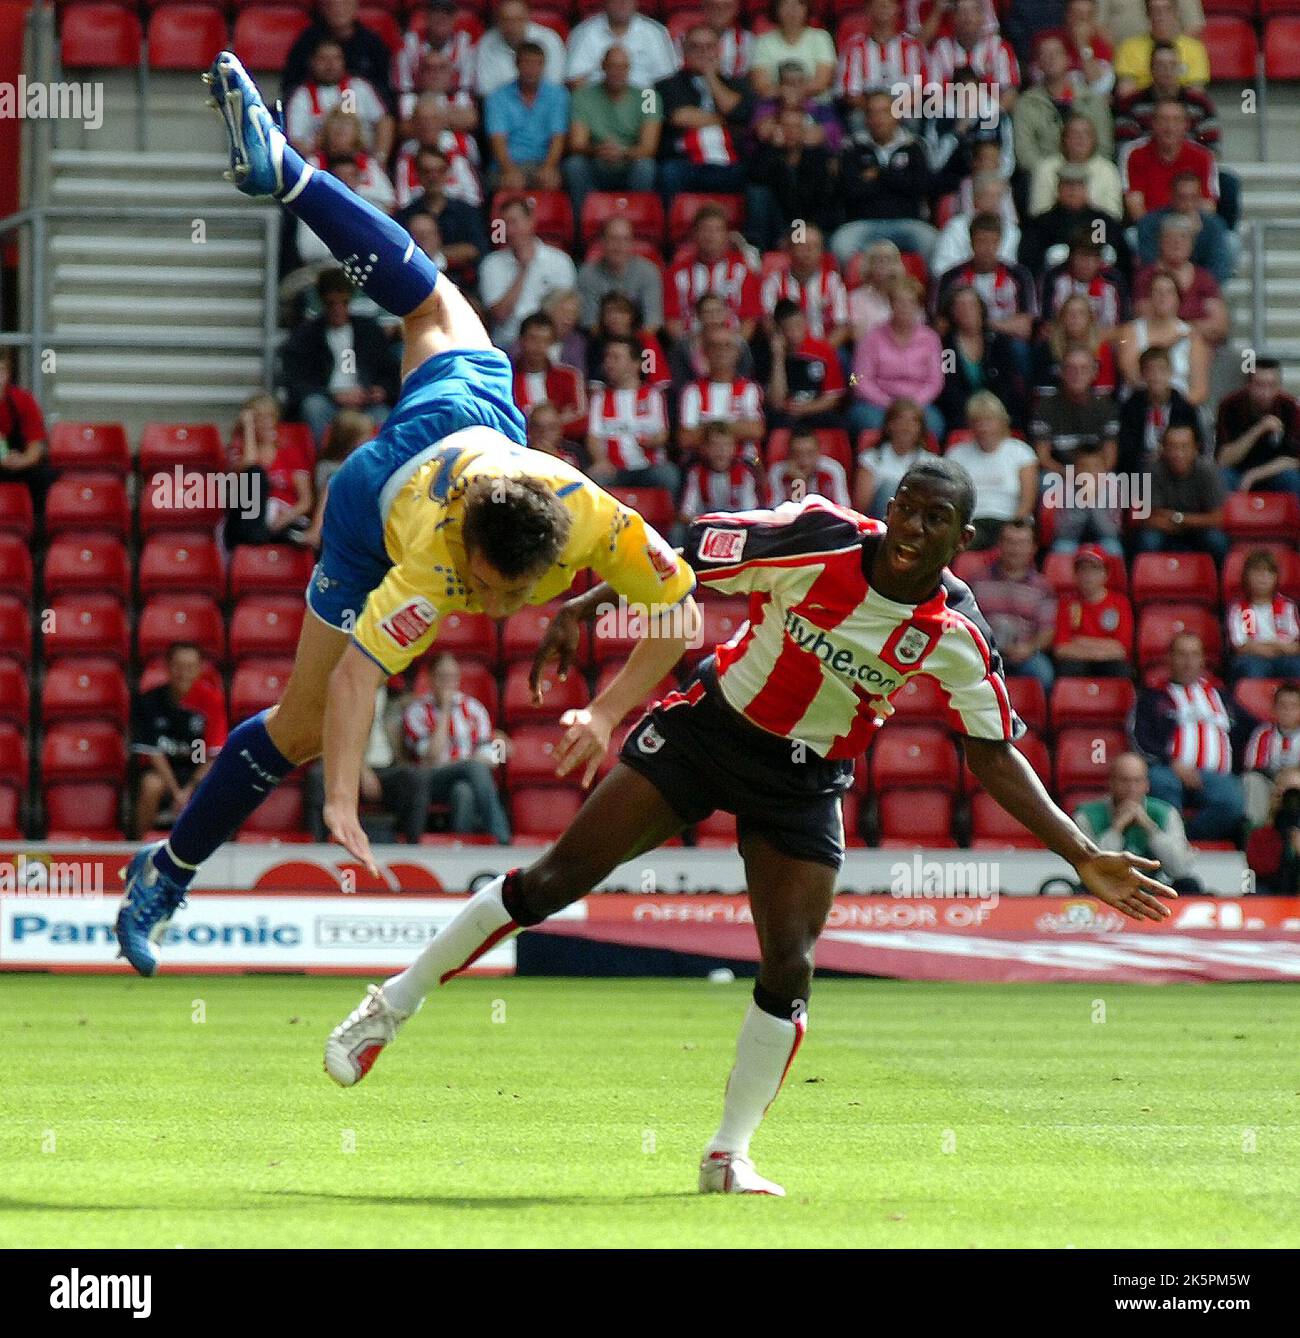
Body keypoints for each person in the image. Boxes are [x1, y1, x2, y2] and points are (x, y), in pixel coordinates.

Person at [325, 458, 1176, 1197]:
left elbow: (991, 754)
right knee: (550, 883)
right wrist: (586, 605)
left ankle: (728, 1155)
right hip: (709, 733)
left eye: (936, 518)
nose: (914, 527)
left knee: (790, 965)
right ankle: (387, 1009)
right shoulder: (818, 536)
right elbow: (678, 557)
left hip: (804, 786)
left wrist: (1080, 851)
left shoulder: (954, 633)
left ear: (963, 540)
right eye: (907, 506)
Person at [117, 51, 699, 976]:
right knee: (302, 728)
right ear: (464, 549)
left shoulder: (593, 516)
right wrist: (341, 798)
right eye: (484, 588)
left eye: (506, 597)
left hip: (477, 417)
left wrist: (610, 708)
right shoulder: (431, 563)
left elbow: (682, 610)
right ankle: (170, 869)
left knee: (433, 298)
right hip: (374, 500)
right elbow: (359, 679)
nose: (496, 610)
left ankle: (290, 173)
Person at [1131, 631, 1245, 841]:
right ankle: (1172, 842)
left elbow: (1247, 729)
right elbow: (1141, 740)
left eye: (1194, 655)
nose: (1188, 661)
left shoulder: (1221, 696)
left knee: (1233, 802)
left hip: (1215, 775)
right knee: (1160, 782)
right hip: (1169, 770)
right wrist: (1173, 763)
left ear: (1202, 660)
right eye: (1181, 654)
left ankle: (1183, 839)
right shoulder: (1153, 696)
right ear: (1169, 658)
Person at [653, 26, 762, 239]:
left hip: (731, 164)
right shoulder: (667, 84)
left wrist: (711, 77)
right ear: (684, 51)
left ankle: (753, 244)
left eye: (709, 47)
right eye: (696, 47)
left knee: (760, 182)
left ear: (719, 50)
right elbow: (679, 116)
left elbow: (739, 111)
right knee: (667, 173)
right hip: (686, 162)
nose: (703, 52)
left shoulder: (740, 84)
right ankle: (667, 241)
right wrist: (726, 121)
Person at [278, 268, 401, 446]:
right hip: (327, 401)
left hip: (365, 402)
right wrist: (333, 395)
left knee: (383, 416)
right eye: (331, 304)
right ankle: (325, 459)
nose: (338, 309)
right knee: (314, 407)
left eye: (343, 303)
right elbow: (296, 381)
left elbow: (390, 370)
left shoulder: (369, 331)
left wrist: (383, 391)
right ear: (322, 303)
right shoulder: (306, 336)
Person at [402, 653, 513, 844]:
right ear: (430, 678)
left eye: (452, 677)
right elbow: (431, 757)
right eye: (442, 677)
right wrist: (445, 710)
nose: (448, 683)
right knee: (473, 769)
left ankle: (461, 846)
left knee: (463, 792)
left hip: (468, 776)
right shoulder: (416, 711)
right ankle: (503, 839)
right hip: (430, 779)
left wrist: (503, 748)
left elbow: (493, 755)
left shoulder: (474, 709)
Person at [305, 685, 434, 845]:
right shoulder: (343, 691)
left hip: (387, 768)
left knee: (415, 778)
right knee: (317, 776)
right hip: (347, 766)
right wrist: (361, 769)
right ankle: (318, 847)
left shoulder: (395, 698)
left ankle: (412, 849)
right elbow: (331, 737)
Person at [1030, 344, 1122, 555]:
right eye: (1071, 368)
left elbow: (1110, 457)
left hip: (1096, 472)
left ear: (1094, 372)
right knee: (1045, 482)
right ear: (1061, 372)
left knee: (1115, 482)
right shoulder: (1046, 406)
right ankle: (1048, 543)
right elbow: (1043, 457)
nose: (1077, 374)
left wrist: (1092, 477)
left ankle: (1110, 538)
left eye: (1083, 368)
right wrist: (1075, 476)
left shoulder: (1106, 406)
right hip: (1062, 474)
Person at [130, 643, 227, 840]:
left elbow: (212, 756)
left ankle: (208, 847)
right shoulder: (149, 701)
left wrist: (189, 788)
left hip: (195, 772)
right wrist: (176, 792)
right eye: (178, 666)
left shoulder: (211, 701)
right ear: (167, 667)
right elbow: (153, 753)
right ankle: (138, 846)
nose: (184, 673)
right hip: (163, 772)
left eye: (190, 667)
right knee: (151, 785)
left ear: (199, 669)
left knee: (216, 787)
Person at [831, 90, 936, 266]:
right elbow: (850, 191)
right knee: (840, 245)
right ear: (865, 118)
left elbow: (921, 187)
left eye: (884, 112)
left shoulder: (914, 146)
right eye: (872, 112)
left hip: (907, 222)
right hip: (863, 223)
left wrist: (879, 175)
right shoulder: (852, 148)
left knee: (931, 241)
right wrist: (898, 179)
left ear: (896, 115)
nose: (878, 118)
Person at [1074, 753, 1199, 893]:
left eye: (1137, 781)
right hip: (1106, 890)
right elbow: (1097, 869)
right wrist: (1116, 829)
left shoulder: (1166, 813)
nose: (1131, 788)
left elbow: (1180, 869)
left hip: (1155, 887)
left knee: (1189, 885)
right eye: (1124, 781)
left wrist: (1150, 827)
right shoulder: (1086, 816)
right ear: (1111, 783)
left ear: (1147, 785)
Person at [563, 45, 661, 214]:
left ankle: (637, 220)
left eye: (623, 67)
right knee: (574, 165)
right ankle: (581, 226)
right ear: (603, 66)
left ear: (629, 69)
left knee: (646, 167)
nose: (617, 72)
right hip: (596, 161)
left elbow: (649, 147)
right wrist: (599, 150)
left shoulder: (648, 96)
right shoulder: (583, 95)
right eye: (613, 66)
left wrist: (622, 152)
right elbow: (576, 143)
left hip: (631, 162)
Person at [850, 275, 944, 438]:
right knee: (871, 424)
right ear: (891, 305)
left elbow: (935, 381)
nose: (904, 308)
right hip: (878, 404)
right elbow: (857, 379)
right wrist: (889, 404)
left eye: (911, 303)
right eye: (899, 302)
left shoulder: (931, 338)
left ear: (918, 306)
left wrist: (912, 404)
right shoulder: (871, 337)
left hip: (917, 404)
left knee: (934, 425)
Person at [970, 517, 1057, 691]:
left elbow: (1048, 632)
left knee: (1043, 672)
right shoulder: (977, 582)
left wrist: (1029, 648)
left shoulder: (1043, 587)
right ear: (999, 545)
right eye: (1010, 542)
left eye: (1022, 543)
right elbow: (966, 623)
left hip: (1025, 656)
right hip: (984, 654)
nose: (1015, 549)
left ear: (1033, 547)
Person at [478, 197, 578, 346]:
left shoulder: (560, 261)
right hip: (509, 342)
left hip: (550, 342)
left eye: (514, 222)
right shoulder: (491, 264)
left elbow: (568, 313)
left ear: (531, 221)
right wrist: (523, 269)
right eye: (504, 224)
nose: (510, 230)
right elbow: (499, 315)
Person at [1012, 33, 1113, 178]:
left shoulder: (1092, 99)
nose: (1051, 58)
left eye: (1056, 53)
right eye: (1045, 54)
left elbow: (1104, 148)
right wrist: (1053, 176)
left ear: (1068, 59)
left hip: (1090, 177)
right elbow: (1025, 153)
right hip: (1044, 177)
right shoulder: (1027, 103)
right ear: (1038, 63)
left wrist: (1080, 176)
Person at [945, 392, 1038, 549]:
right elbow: (950, 498)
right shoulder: (956, 454)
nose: (984, 428)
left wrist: (1013, 525)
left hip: (1010, 520)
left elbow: (1028, 500)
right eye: (978, 422)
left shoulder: (1021, 452)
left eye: (989, 421)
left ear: (1002, 422)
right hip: (971, 523)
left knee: (1013, 542)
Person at [586, 334, 677, 492]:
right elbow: (593, 437)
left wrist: (652, 441)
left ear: (636, 363)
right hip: (614, 470)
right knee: (595, 478)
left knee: (668, 474)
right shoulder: (600, 398)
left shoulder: (653, 395)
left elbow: (663, 434)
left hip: (648, 467)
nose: (608, 363)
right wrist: (600, 460)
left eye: (615, 358)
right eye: (607, 357)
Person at [224, 392, 315, 547]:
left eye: (270, 417)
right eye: (259, 418)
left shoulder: (290, 452)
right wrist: (248, 430)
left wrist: (282, 520)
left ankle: (272, 536)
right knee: (255, 473)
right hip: (248, 519)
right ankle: (261, 535)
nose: (266, 423)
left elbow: (306, 501)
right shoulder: (237, 449)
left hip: (283, 518)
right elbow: (250, 465)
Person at [664, 204, 762, 344]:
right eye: (705, 229)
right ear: (694, 234)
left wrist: (730, 348)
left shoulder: (743, 271)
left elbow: (749, 321)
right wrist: (692, 351)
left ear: (727, 235)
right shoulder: (676, 273)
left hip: (731, 350)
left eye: (717, 230)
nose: (711, 236)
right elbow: (672, 320)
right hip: (690, 349)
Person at [284, 36, 393, 162]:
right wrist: (330, 138)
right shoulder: (301, 96)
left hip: (363, 161)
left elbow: (384, 121)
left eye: (336, 58)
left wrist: (380, 158)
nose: (330, 65)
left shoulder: (359, 87)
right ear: (312, 62)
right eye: (323, 59)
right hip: (320, 164)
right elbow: (295, 141)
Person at [938, 284, 1028, 432]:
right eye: (960, 306)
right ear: (952, 312)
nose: (967, 310)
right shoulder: (948, 347)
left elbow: (1007, 382)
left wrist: (991, 412)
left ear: (981, 308)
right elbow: (950, 386)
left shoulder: (998, 341)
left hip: (998, 408)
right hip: (962, 413)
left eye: (971, 305)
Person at [1114, 268, 1210, 406]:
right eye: (1157, 291)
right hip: (1140, 406)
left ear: (1178, 298)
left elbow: (1200, 390)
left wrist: (1175, 411)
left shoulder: (1193, 336)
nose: (1163, 297)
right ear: (1149, 297)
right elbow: (1132, 375)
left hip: (1179, 407)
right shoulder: (1130, 331)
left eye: (1169, 292)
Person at [484, 41, 569, 191]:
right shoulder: (498, 97)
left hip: (543, 162)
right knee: (512, 183)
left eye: (537, 64)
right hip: (508, 164)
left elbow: (558, 137)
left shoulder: (558, 95)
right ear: (516, 65)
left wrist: (548, 168)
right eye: (527, 63)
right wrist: (509, 170)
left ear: (544, 66)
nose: (532, 69)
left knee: (551, 181)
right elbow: (497, 139)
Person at [283, 0, 395, 113]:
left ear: (356, 5)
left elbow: (385, 95)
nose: (338, 8)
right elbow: (291, 87)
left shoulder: (373, 44)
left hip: (363, 115)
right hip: (314, 115)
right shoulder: (306, 43)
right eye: (331, 4)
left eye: (344, 3)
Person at [1139, 422, 1227, 563]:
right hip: (1166, 531)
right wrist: (1189, 522)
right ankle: (1150, 581)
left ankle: (1219, 583)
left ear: (1195, 449)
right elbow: (1147, 519)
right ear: (1164, 449)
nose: (1178, 454)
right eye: (1172, 447)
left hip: (1199, 531)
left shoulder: (1208, 471)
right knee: (1148, 540)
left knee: (1217, 541)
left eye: (1184, 447)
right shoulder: (1151, 471)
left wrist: (1178, 518)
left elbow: (1217, 518)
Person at [393, 146, 488, 276]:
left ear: (448, 173)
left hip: (462, 283)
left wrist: (437, 254)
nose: (434, 177)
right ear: (417, 174)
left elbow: (477, 249)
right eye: (427, 171)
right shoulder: (404, 216)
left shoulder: (466, 212)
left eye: (440, 170)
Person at [1122, 99, 1217, 225]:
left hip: (1190, 228)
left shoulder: (1203, 156)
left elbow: (1208, 205)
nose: (1170, 127)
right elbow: (1134, 204)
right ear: (1153, 123)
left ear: (1186, 125)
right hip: (1150, 228)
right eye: (1163, 120)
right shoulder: (1134, 153)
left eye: (1176, 120)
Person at [1215, 359, 1300, 500]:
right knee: (1221, 477)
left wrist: (1254, 475)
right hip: (1236, 473)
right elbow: (1223, 460)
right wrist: (1258, 429)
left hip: (1273, 473)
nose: (1266, 393)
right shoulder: (1230, 405)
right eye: (1260, 385)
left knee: (1291, 478)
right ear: (1248, 385)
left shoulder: (1289, 406)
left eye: (1272, 385)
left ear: (1280, 386)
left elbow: (1295, 460)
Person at [1114, 39, 1218, 151]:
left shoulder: (1200, 104)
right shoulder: (1130, 104)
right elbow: (1124, 148)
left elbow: (1212, 147)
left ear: (1180, 69)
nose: (1167, 70)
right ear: (1151, 69)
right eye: (1160, 65)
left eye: (1172, 65)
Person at [677, 326, 765, 457]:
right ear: (705, 353)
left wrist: (708, 428)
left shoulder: (749, 388)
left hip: (745, 460)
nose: (721, 351)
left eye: (727, 346)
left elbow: (756, 430)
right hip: (702, 462)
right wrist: (736, 427)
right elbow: (686, 438)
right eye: (715, 346)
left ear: (737, 352)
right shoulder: (692, 390)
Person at [759, 228, 850, 349]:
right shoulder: (774, 282)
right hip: (785, 348)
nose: (808, 251)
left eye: (814, 246)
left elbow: (841, 326)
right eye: (802, 245)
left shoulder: (833, 282)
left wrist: (821, 351)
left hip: (825, 347)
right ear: (790, 249)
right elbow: (768, 321)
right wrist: (785, 346)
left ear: (821, 251)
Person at [1116, 345, 1199, 476]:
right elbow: (1126, 448)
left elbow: (1197, 446)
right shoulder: (1131, 407)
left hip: (1175, 467)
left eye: (1161, 370)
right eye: (1150, 371)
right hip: (1139, 469)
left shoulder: (1184, 408)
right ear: (1142, 375)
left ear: (1170, 372)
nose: (1156, 377)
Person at [766, 298, 847, 432]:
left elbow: (832, 398)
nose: (795, 332)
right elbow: (776, 402)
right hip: (785, 415)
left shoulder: (823, 351)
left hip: (816, 411)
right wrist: (778, 358)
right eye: (789, 328)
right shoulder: (771, 355)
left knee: (838, 425)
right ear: (779, 330)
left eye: (798, 325)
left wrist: (805, 409)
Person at [1053, 545, 1134, 678]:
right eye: (1083, 569)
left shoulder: (1120, 602)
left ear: (1106, 574)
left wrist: (1080, 641)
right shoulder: (1066, 603)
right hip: (1079, 664)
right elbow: (1061, 649)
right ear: (1075, 574)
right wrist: (1103, 647)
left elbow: (1121, 649)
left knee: (1119, 669)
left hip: (1108, 664)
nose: (1088, 575)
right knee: (1068, 667)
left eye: (1094, 569)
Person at [577, 216, 664, 332]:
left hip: (638, 342)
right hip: (599, 342)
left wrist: (629, 346)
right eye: (613, 239)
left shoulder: (648, 272)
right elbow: (590, 324)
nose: (619, 246)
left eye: (625, 240)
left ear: (632, 243)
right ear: (602, 242)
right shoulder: (588, 274)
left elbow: (653, 323)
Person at [566, 0, 678, 90]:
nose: (622, 2)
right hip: (599, 101)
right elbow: (574, 81)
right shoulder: (584, 32)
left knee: (652, 108)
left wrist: (649, 113)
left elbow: (666, 81)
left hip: (645, 98)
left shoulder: (655, 32)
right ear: (604, 2)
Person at [511, 311, 587, 441]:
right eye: (533, 339)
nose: (539, 346)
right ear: (521, 341)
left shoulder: (569, 376)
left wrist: (537, 426)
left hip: (563, 446)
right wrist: (558, 420)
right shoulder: (507, 378)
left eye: (545, 341)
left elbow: (582, 421)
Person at [1227, 550, 1300, 682]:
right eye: (1257, 571)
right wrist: (1273, 647)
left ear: (1276, 577)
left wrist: (1268, 646)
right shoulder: (1239, 609)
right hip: (1253, 658)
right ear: (1246, 577)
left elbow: (1294, 646)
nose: (1263, 577)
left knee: (1296, 666)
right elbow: (1241, 647)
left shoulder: (1287, 606)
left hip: (1284, 657)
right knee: (1252, 667)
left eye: (1268, 572)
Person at [852, 396, 928, 519]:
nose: (907, 427)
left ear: (921, 429)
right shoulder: (870, 458)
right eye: (901, 420)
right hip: (880, 520)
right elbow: (861, 506)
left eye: (913, 421)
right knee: (889, 486)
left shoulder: (930, 462)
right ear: (890, 425)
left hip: (915, 519)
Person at [1113, 0, 1208, 97]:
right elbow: (1125, 93)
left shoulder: (1195, 49)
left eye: (1167, 9)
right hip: (1143, 107)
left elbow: (1196, 93)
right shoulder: (1129, 48)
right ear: (1147, 14)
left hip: (1181, 107)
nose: (1161, 16)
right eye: (1155, 10)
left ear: (1176, 12)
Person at [1031, 292, 1118, 396]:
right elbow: (1042, 392)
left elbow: (1103, 393)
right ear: (1062, 318)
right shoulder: (1046, 349)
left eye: (1081, 313)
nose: (1075, 318)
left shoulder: (1102, 349)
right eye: (1070, 313)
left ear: (1090, 319)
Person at [473, 0, 566, 97]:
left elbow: (555, 86)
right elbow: (486, 91)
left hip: (544, 105)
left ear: (528, 17)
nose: (513, 26)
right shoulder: (487, 43)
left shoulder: (549, 39)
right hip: (501, 108)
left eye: (518, 19)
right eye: (506, 20)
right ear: (497, 21)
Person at [0, 349, 53, 515]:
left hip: (18, 466)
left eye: (0, 370)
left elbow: (35, 448)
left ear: (7, 373)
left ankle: (36, 535)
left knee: (43, 476)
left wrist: (21, 461)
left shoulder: (23, 400)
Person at [749, 0, 836, 100]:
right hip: (775, 105)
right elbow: (762, 85)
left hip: (816, 104)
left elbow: (822, 82)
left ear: (807, 8)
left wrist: (793, 94)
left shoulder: (821, 37)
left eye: (799, 3)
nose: (792, 10)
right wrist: (786, 95)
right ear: (776, 9)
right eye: (785, 3)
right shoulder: (763, 42)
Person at [679, 422, 762, 523]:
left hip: (737, 526)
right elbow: (686, 513)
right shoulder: (696, 474)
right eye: (715, 445)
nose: (721, 450)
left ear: (734, 448)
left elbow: (750, 512)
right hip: (705, 526)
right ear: (705, 449)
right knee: (678, 530)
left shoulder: (744, 475)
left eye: (726, 445)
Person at [1242, 683, 1300, 827]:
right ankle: (1255, 829)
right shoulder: (1263, 734)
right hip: (1270, 784)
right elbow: (1253, 767)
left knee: (1294, 781)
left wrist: (1290, 778)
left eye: (1293, 706)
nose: (1288, 711)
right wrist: (1279, 780)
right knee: (1251, 780)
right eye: (1283, 706)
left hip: (1296, 785)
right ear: (1274, 709)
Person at [766, 426, 849, 505]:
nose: (804, 461)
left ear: (818, 452)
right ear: (789, 454)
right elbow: (774, 509)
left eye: (810, 453)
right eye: (797, 454)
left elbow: (844, 506)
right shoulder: (778, 472)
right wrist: (799, 482)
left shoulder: (833, 469)